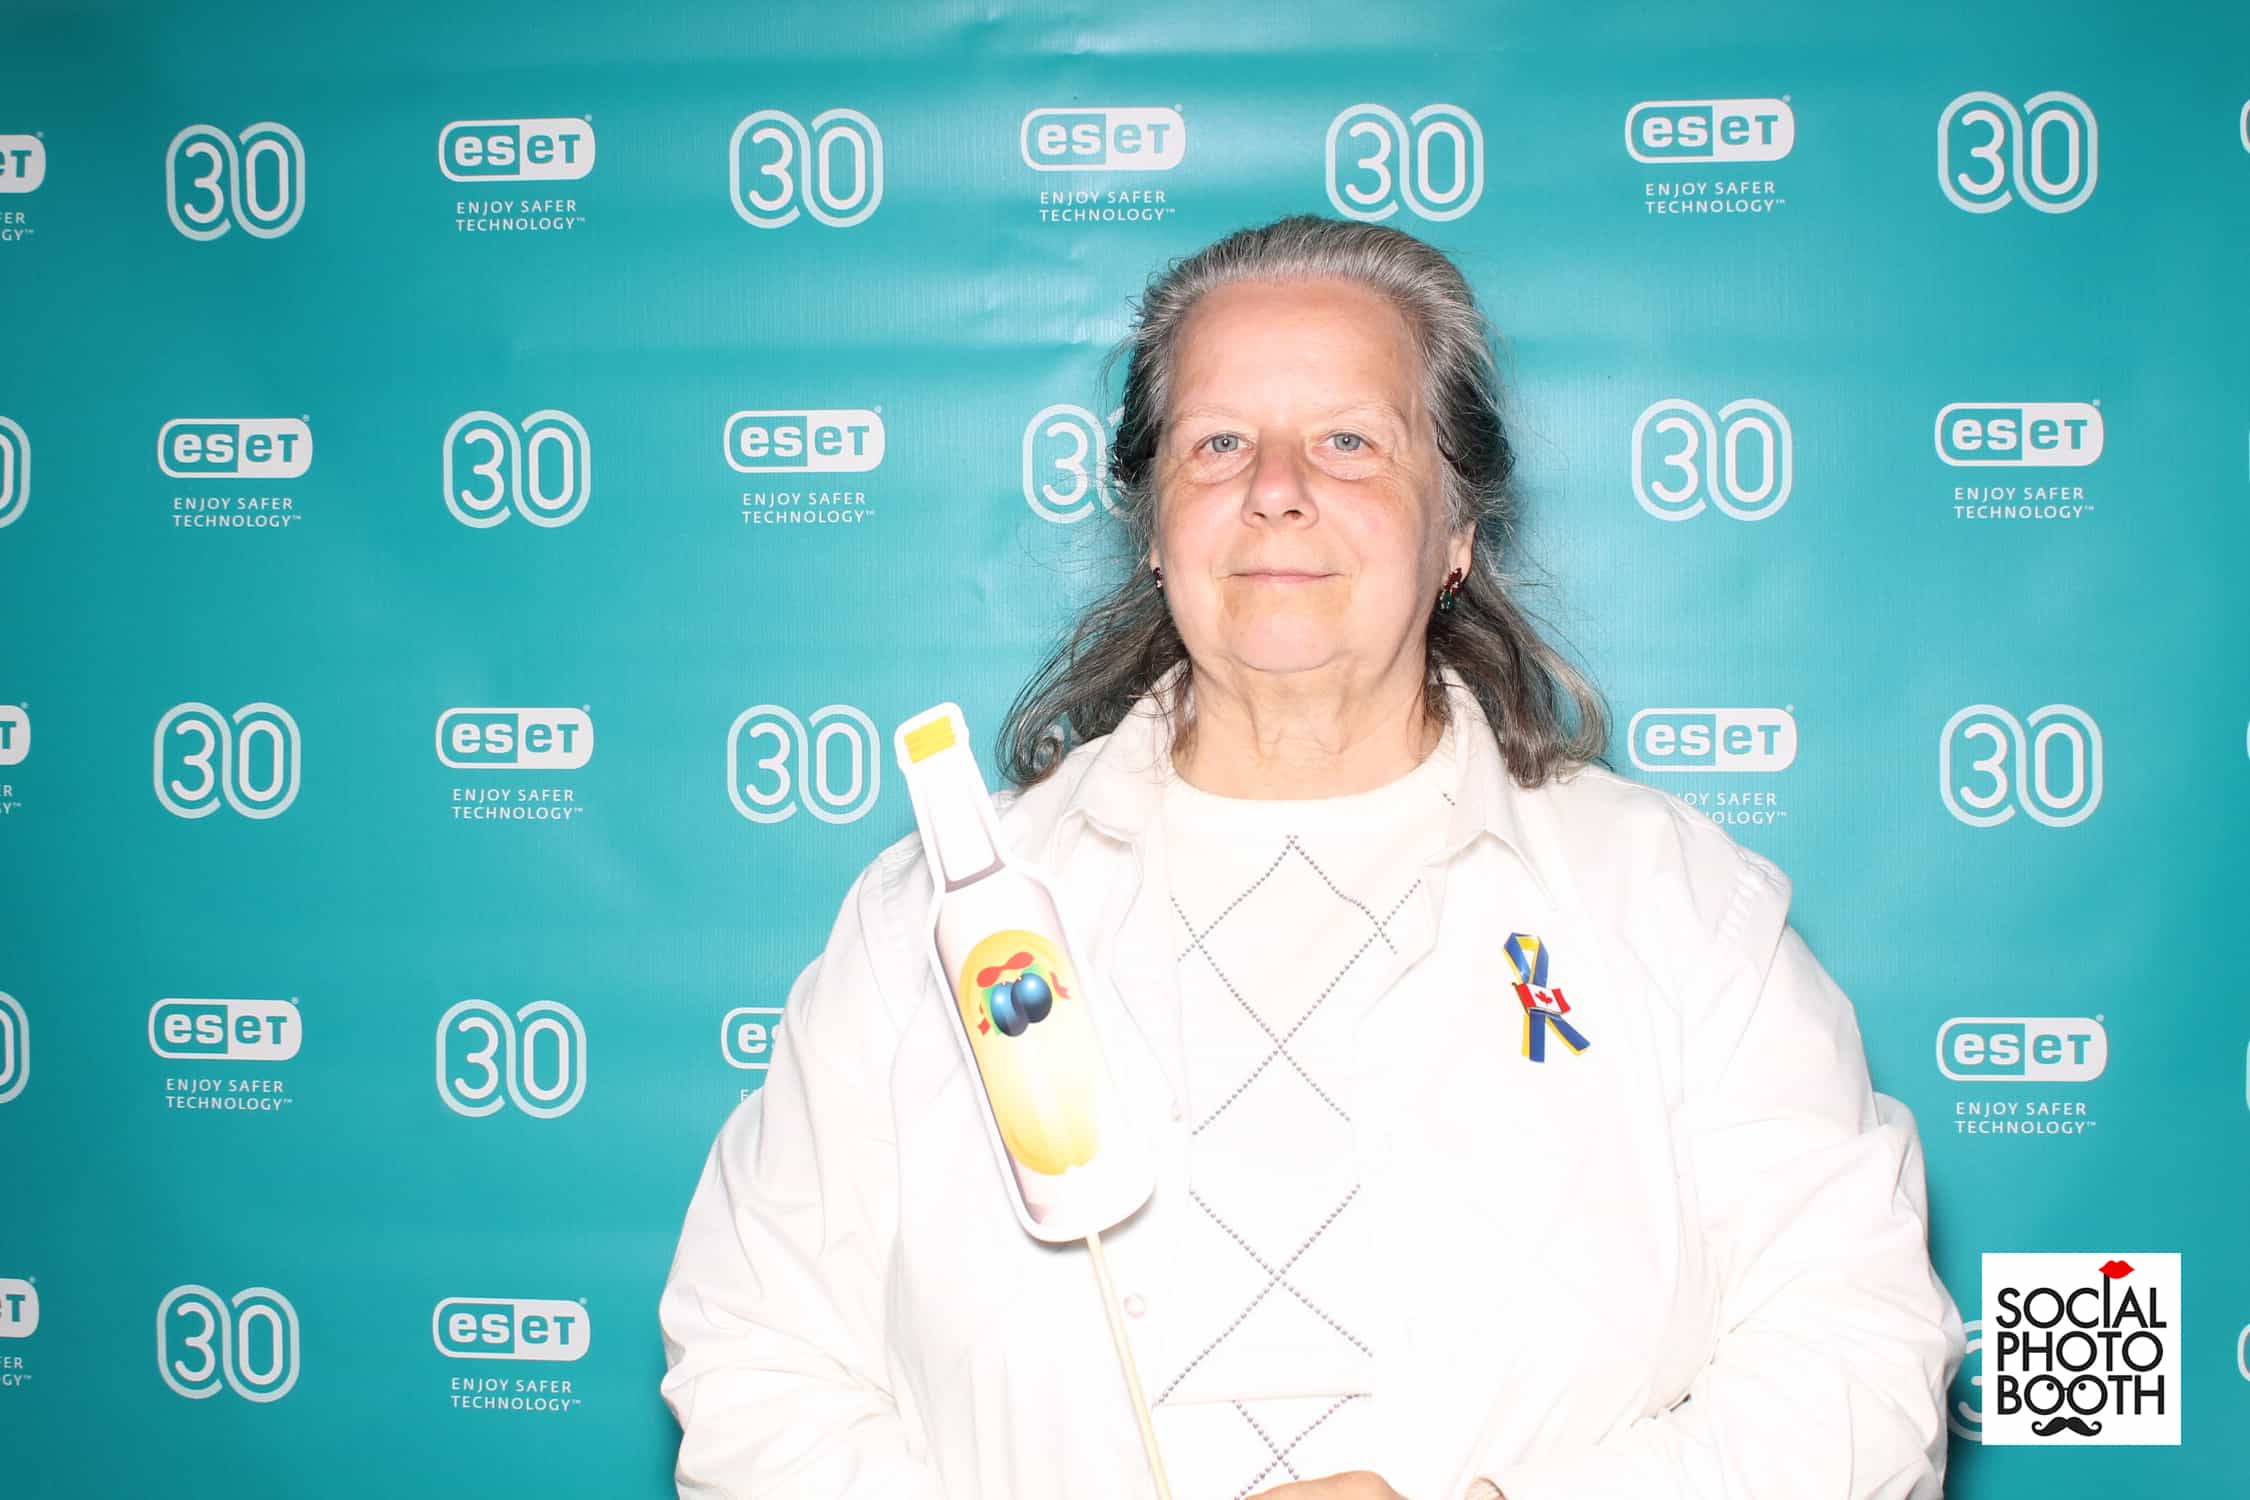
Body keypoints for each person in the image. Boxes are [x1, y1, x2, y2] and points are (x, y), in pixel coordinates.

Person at [657, 213, 1966, 1500]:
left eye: (1349, 441)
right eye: (1218, 442)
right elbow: (759, 1363)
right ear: (1152, 525)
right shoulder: (926, 922)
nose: (1275, 486)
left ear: (1457, 530)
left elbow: (1857, 1356)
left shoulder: (1671, 904)